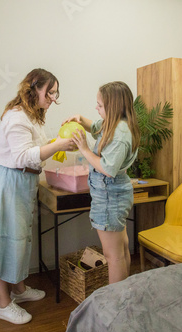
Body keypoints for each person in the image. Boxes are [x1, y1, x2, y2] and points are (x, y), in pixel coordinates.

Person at [0, 68, 75, 325]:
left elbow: (34, 150)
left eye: (55, 93)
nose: (53, 98)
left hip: (22, 182)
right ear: (34, 89)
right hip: (7, 183)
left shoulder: (33, 116)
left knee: (19, 239)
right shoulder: (17, 117)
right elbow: (22, 156)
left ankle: (18, 290)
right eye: (49, 92)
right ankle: (3, 303)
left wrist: (60, 141)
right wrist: (57, 145)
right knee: (2, 240)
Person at [65, 81, 140, 284]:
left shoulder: (120, 134)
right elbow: (95, 126)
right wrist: (81, 120)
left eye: (99, 105)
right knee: (121, 249)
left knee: (113, 256)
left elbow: (107, 168)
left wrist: (84, 149)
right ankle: (123, 296)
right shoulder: (116, 123)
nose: (96, 108)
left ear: (113, 106)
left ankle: (115, 304)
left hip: (110, 197)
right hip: (113, 195)